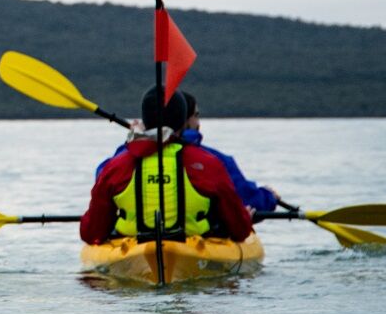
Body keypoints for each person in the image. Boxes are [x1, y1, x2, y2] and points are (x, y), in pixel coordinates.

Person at [81, 87, 256, 245]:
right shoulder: (208, 163)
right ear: (183, 122)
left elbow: (90, 233)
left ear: (145, 121)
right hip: (193, 250)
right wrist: (245, 219)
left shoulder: (116, 166)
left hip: (132, 251)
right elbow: (240, 231)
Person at [93, 90, 283, 215]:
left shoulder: (122, 160)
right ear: (183, 120)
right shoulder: (212, 161)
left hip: (138, 240)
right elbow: (246, 198)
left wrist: (132, 141)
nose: (199, 123)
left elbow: (103, 176)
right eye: (196, 115)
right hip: (199, 239)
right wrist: (268, 197)